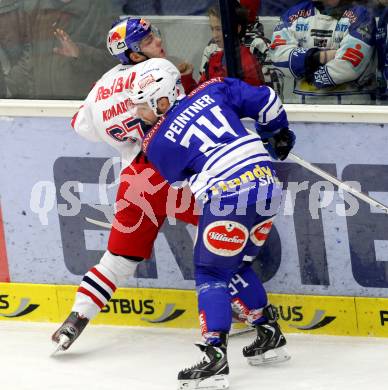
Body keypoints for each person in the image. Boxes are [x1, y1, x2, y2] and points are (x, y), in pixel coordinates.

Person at [128, 58, 295, 389]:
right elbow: (267, 100)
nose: (139, 115)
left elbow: (177, 180)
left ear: (162, 100)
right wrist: (276, 133)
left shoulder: (156, 141)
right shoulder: (213, 88)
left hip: (230, 194)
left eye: (142, 107)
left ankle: (215, 357)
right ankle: (268, 333)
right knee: (234, 264)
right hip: (267, 185)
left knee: (211, 272)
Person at [51, 17, 198, 352]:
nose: (157, 42)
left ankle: (75, 320)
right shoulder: (161, 68)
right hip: (175, 172)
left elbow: (80, 123)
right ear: (133, 55)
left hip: (136, 180)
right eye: (147, 41)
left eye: (153, 36)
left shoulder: (103, 85)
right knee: (220, 233)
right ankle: (241, 307)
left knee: (117, 259)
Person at [270, 0, 377, 104]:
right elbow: (278, 56)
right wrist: (317, 57)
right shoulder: (294, 13)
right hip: (303, 109)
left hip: (354, 110)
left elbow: (348, 66)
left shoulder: (362, 14)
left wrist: (306, 71)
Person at [179, 1, 264, 92]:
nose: (215, 35)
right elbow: (199, 97)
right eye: (212, 29)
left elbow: (254, 100)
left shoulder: (248, 63)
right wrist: (187, 77)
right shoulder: (214, 59)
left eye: (219, 29)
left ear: (237, 29)